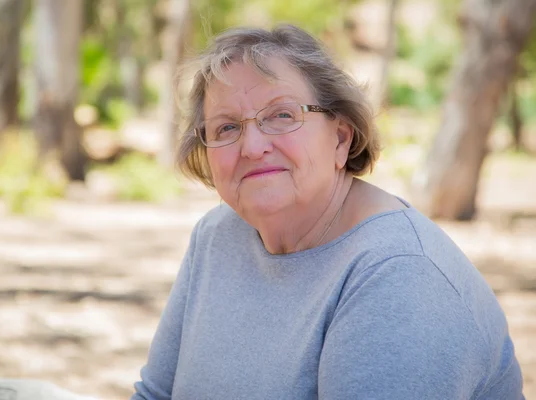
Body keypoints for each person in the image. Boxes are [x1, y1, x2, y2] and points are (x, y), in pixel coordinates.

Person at [131, 24, 524, 399]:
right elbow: (155, 395)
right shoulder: (216, 235)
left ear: (340, 137)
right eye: (226, 128)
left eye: (281, 115)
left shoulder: (399, 273)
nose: (251, 146)